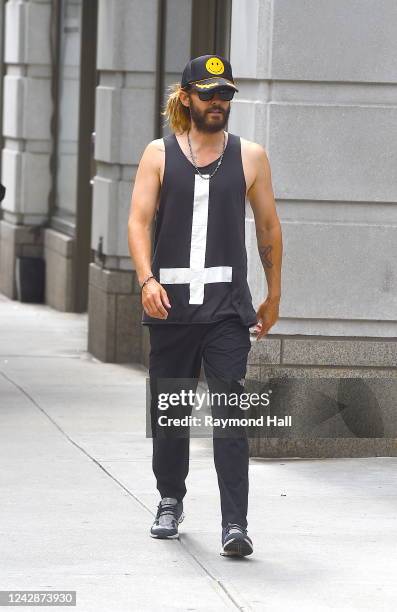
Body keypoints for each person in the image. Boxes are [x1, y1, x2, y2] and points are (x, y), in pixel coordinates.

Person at [128, 54, 282, 557]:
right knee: (170, 410)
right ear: (186, 97)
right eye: (208, 93)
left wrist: (273, 293)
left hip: (225, 311)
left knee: (230, 413)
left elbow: (268, 228)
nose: (218, 102)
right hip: (170, 306)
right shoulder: (158, 153)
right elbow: (137, 221)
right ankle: (170, 497)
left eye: (226, 94)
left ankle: (234, 523)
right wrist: (146, 279)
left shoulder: (250, 156)